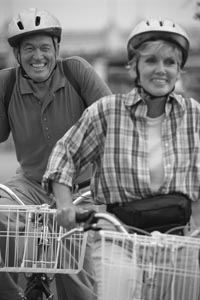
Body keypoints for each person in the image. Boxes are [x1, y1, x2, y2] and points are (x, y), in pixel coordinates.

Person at [43, 18, 200, 299]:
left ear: (179, 70)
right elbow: (64, 154)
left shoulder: (194, 115)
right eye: (151, 60)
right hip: (119, 235)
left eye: (170, 62)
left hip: (179, 239)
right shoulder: (108, 111)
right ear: (134, 67)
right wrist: (65, 205)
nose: (160, 70)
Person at [0, 7, 111, 300]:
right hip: (30, 183)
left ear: (57, 49)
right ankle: (12, 295)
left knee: (75, 269)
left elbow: (113, 123)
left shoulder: (76, 71)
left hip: (80, 186)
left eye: (45, 48)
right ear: (17, 55)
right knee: (1, 216)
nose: (38, 56)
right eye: (29, 49)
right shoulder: (6, 83)